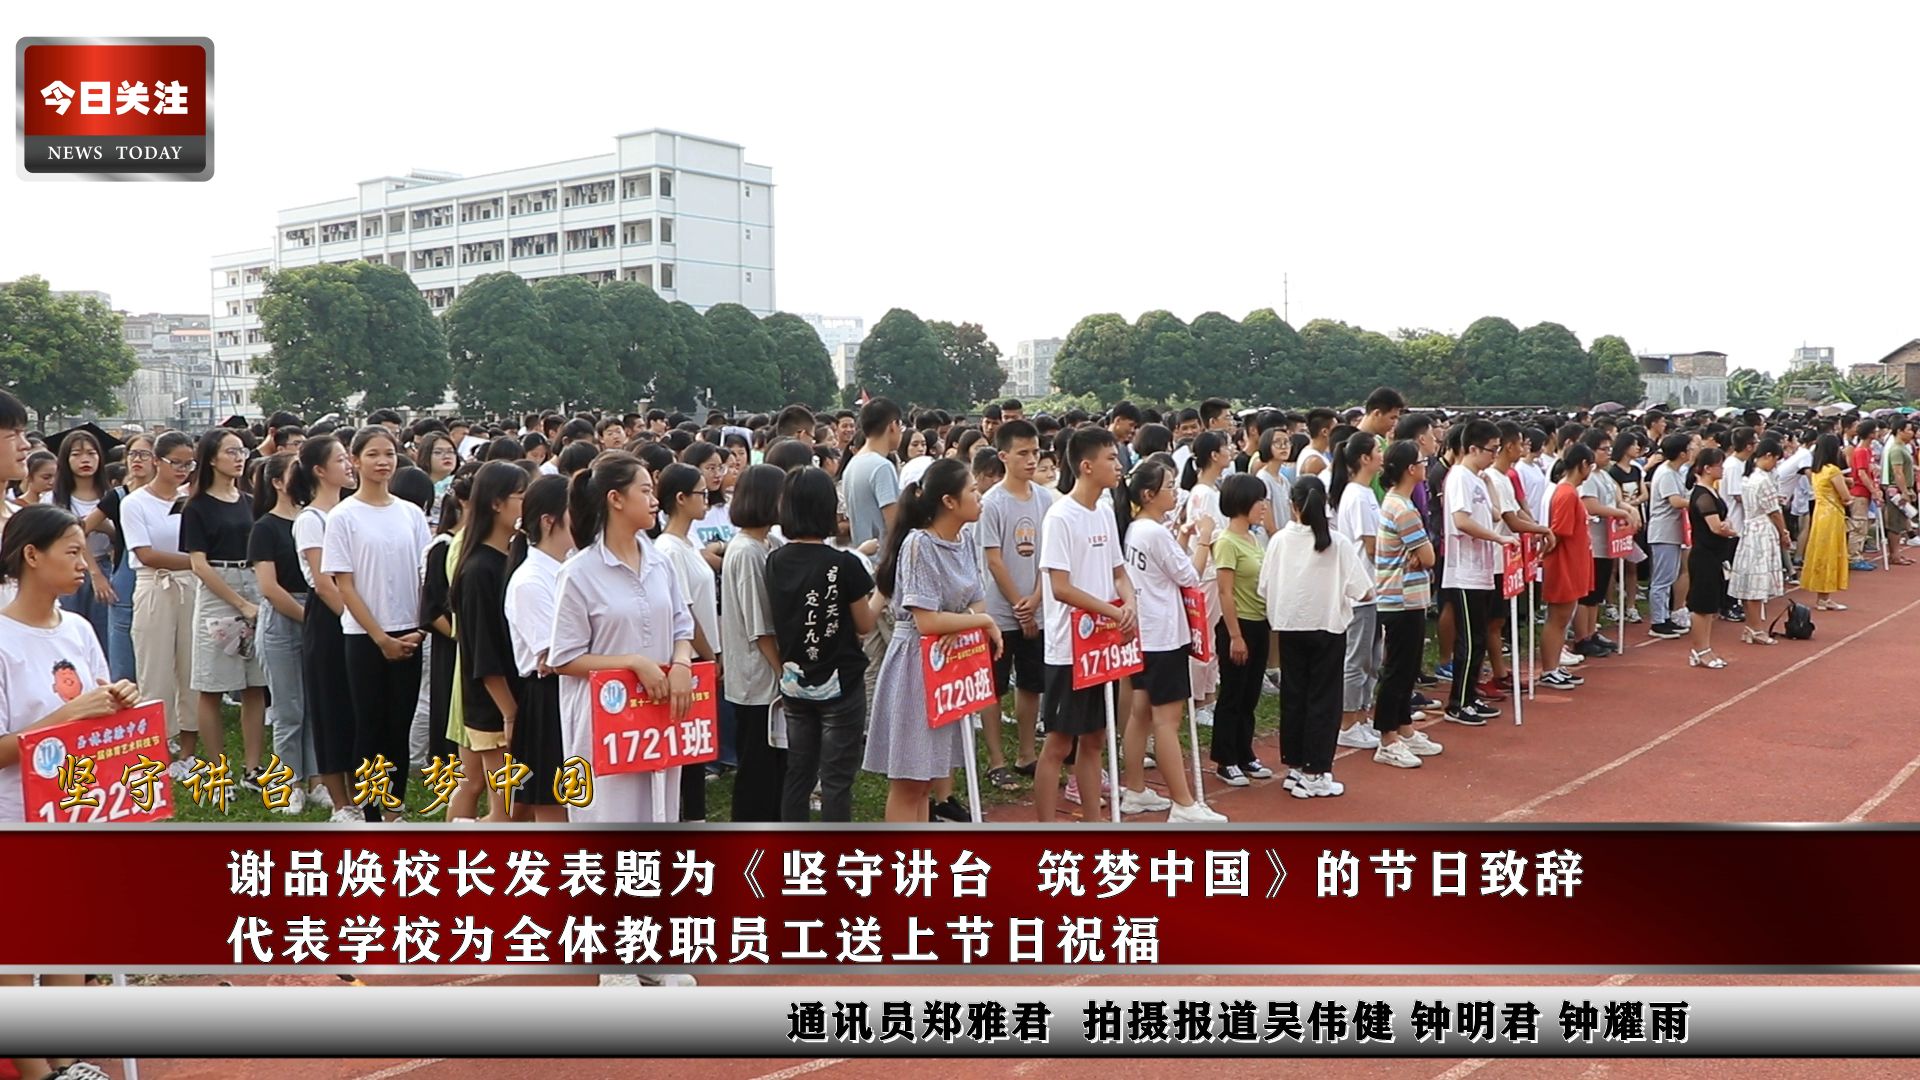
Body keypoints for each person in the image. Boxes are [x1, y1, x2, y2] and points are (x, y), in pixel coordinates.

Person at [0, 504, 138, 1080]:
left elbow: (97, 712)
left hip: (76, 808)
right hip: (14, 817)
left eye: (85, 551)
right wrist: (67, 716)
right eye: (72, 551)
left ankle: (65, 1058)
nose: (86, 563)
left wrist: (121, 701)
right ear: (32, 555)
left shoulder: (79, 629)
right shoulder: (3, 640)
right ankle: (34, 1071)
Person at [548, 451, 696, 825]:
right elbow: (563, 657)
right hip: (605, 722)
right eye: (645, 491)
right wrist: (632, 662)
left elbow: (682, 625)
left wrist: (681, 662)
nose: (654, 501)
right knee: (608, 819)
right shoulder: (579, 573)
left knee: (659, 810)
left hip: (657, 714)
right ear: (615, 499)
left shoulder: (659, 561)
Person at [862, 458, 1000, 821]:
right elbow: (926, 621)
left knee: (927, 780)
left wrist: (963, 623)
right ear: (949, 501)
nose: (979, 494)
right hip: (914, 668)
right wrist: (978, 621)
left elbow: (975, 598)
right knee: (910, 781)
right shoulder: (918, 545)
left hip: (947, 666)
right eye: (972, 489)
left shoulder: (966, 539)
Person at [322, 427, 431, 822]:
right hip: (364, 635)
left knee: (398, 726)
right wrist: (380, 636)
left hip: (409, 632)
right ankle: (369, 812)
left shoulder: (411, 513)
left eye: (389, 454)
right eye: (372, 454)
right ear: (355, 460)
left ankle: (394, 808)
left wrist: (418, 627)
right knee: (369, 726)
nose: (382, 461)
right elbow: (344, 585)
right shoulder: (343, 516)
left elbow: (424, 575)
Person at [1033, 427, 1135, 822]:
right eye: (1111, 458)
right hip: (1068, 648)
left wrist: (1130, 602)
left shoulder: (1105, 510)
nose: (1119, 465)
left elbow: (1118, 570)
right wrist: (1112, 612)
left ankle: (1095, 823)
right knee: (1060, 742)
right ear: (1086, 465)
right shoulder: (1060, 516)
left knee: (1094, 737)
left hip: (1103, 647)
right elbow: (1059, 587)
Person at [1117, 458, 1226, 821]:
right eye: (1168, 485)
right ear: (1149, 494)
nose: (1175, 492)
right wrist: (1205, 537)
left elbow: (1165, 566)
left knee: (1141, 713)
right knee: (1166, 720)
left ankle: (1134, 789)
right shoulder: (1153, 532)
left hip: (1143, 634)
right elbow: (1190, 576)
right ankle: (1183, 803)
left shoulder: (1137, 529)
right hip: (1163, 636)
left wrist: (1182, 535)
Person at [768, 466, 876, 822]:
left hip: (794, 682)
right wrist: (883, 594)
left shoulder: (774, 560)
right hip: (840, 685)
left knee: (798, 772)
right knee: (836, 779)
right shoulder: (843, 564)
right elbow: (864, 623)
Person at [1261, 481, 1374, 798]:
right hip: (1326, 626)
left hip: (1289, 626)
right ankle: (1316, 770)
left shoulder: (1280, 540)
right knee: (1323, 699)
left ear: (1292, 505)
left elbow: (1265, 585)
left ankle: (1296, 766)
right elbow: (1362, 589)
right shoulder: (1336, 543)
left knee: (1294, 695)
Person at [183, 427, 270, 787]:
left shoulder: (249, 501)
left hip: (252, 582)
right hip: (218, 591)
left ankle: (252, 768)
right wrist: (239, 603)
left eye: (242, 452)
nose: (239, 458)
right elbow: (199, 564)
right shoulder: (197, 506)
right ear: (211, 458)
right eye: (231, 452)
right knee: (213, 684)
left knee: (254, 684)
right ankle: (219, 772)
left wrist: (254, 599)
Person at [449, 462, 529, 821]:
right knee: (505, 812)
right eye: (521, 496)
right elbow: (484, 652)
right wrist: (510, 714)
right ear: (496, 503)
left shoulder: (511, 558)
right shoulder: (479, 569)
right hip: (494, 707)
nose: (528, 503)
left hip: (512, 700)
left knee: (517, 807)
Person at [978, 419, 1052, 785]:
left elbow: (1047, 556)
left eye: (1035, 452)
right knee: (994, 685)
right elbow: (994, 560)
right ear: (1003, 456)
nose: (1031, 460)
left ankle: (1026, 754)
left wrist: (1035, 598)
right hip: (998, 612)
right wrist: (1019, 605)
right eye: (1023, 453)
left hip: (1035, 607)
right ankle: (996, 760)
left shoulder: (1044, 498)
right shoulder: (991, 503)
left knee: (1032, 683)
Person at [122, 431, 200, 775]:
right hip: (155, 585)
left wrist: (197, 567)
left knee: (191, 668)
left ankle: (188, 748)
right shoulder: (135, 503)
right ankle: (156, 746)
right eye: (176, 462)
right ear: (156, 461)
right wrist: (198, 563)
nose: (183, 470)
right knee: (154, 669)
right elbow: (146, 554)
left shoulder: (193, 499)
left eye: (189, 463)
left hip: (192, 587)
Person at [289, 435, 358, 821]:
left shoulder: (349, 510)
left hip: (356, 615)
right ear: (319, 470)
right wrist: (354, 621)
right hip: (332, 621)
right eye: (341, 460)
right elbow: (322, 579)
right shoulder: (311, 519)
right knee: (331, 709)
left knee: (356, 710)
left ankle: (363, 795)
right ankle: (340, 803)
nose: (348, 466)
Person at [249, 452, 321, 813]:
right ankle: (288, 781)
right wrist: (311, 617)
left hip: (314, 608)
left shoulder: (312, 520)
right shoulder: (266, 527)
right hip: (283, 618)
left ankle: (317, 779)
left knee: (315, 705)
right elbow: (269, 587)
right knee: (289, 707)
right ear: (277, 482)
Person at [502, 475, 571, 823]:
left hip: (572, 692)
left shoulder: (569, 570)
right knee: (553, 806)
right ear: (549, 521)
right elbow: (554, 657)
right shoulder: (530, 581)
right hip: (548, 699)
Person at [720, 464, 787, 822]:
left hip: (770, 680)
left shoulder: (768, 542)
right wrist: (784, 672)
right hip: (756, 681)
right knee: (757, 772)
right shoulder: (746, 551)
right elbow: (759, 627)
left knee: (777, 767)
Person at [1370, 440, 1443, 766]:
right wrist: (1419, 555)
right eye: (1422, 461)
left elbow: (1423, 555)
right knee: (1397, 670)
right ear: (1409, 469)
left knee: (1407, 667)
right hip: (1399, 599)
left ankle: (1404, 727)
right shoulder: (1402, 509)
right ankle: (1387, 738)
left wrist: (1420, 555)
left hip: (1408, 598)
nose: (1426, 465)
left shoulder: (1399, 503)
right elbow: (1428, 556)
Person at [1440, 420, 1505, 724]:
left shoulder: (1477, 478)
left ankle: (1470, 696)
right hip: (1464, 572)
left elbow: (1493, 512)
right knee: (1469, 639)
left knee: (1478, 637)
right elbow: (1461, 521)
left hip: (1481, 570)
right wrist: (1498, 538)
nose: (1494, 455)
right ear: (1472, 448)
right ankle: (1458, 702)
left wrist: (1490, 484)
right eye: (1491, 450)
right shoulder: (1459, 478)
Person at [83, 432, 154, 683]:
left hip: (162, 578)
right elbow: (79, 532)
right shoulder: (118, 496)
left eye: (144, 454)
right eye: (132, 454)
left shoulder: (173, 496)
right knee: (124, 659)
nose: (137, 460)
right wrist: (96, 574)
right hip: (126, 580)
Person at [1329, 432, 1384, 749]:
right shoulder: (1357, 495)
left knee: (1371, 658)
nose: (1381, 455)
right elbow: (1373, 547)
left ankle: (1362, 716)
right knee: (1357, 658)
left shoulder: (1364, 493)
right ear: (1364, 458)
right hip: (1362, 590)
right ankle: (1348, 722)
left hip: (1372, 588)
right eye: (1378, 451)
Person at [48, 427, 115, 653]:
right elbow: (68, 539)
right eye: (76, 454)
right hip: (66, 568)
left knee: (103, 637)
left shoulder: (111, 496)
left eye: (91, 453)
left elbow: (122, 537)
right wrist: (94, 573)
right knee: (68, 635)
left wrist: (104, 526)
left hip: (107, 567)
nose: (84, 459)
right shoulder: (53, 499)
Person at [1539, 444, 1596, 690]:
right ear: (1583, 465)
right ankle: (1549, 669)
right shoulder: (1566, 494)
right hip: (1563, 564)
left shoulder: (1569, 492)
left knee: (1564, 617)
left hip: (1573, 562)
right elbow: (1558, 532)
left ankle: (1554, 666)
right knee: (1558, 618)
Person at [1731, 438, 1790, 638]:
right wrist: (1784, 533)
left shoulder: (1748, 477)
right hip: (1761, 531)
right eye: (1775, 460)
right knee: (1757, 582)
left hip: (1750, 529)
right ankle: (1756, 628)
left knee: (1749, 581)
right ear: (1767, 456)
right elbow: (1774, 511)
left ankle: (1751, 626)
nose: (1775, 465)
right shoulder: (1762, 480)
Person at [1685, 447, 1738, 669]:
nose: (1722, 469)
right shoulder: (1702, 494)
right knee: (1702, 605)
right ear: (1707, 468)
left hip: (1715, 555)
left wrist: (1727, 527)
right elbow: (1716, 526)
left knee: (1710, 606)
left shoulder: (1711, 491)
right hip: (1704, 555)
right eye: (1719, 465)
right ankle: (1699, 649)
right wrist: (1728, 530)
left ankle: (1705, 646)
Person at [1646, 432, 1694, 639]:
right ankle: (1658, 621)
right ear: (1682, 453)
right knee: (1662, 578)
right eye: (1689, 448)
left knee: (1670, 575)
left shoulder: (1675, 472)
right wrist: (1700, 502)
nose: (1692, 452)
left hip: (1672, 531)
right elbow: (1675, 501)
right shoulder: (1666, 473)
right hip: (1663, 531)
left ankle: (1664, 616)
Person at [1800, 434, 1852, 610]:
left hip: (1820, 512)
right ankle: (1824, 596)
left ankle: (1821, 594)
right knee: (1830, 552)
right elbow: (1845, 496)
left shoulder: (1816, 470)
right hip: (1832, 514)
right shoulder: (1832, 470)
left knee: (1820, 551)